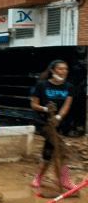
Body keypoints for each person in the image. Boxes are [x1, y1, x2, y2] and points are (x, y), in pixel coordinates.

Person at [30, 60, 78, 190]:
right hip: (43, 122)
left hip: (58, 123)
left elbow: (66, 105)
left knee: (49, 150)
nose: (64, 72)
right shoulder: (41, 86)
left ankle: (39, 177)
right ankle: (64, 179)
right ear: (52, 70)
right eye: (60, 69)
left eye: (65, 69)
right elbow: (34, 104)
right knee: (61, 146)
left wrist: (58, 117)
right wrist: (46, 109)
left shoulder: (69, 87)